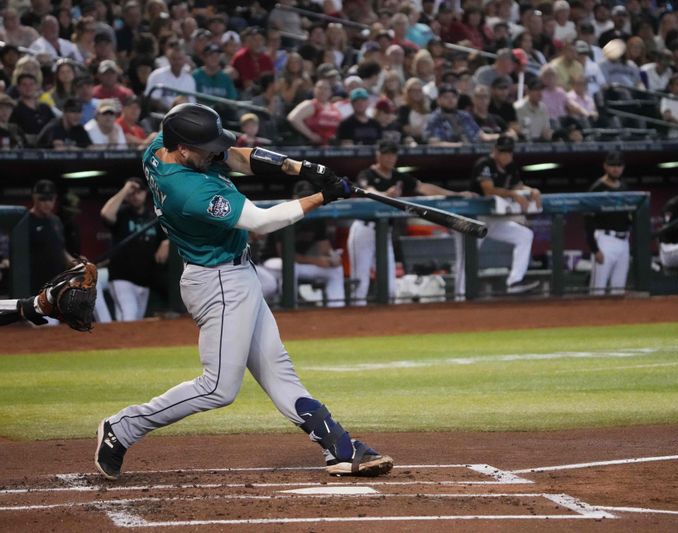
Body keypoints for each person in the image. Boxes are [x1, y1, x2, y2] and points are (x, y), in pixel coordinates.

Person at [94, 103, 392, 481]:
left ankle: (340, 449)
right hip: (217, 282)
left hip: (237, 273)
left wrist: (303, 168)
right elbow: (262, 221)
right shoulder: (188, 191)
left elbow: (236, 156)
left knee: (276, 368)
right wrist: (324, 197)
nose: (216, 151)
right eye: (206, 146)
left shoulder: (159, 147)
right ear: (184, 149)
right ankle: (122, 427)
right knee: (218, 387)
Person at [348, 140, 467, 305]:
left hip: (385, 233)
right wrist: (385, 194)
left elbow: (423, 187)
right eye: (386, 154)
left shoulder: (398, 176)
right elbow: (367, 191)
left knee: (390, 286)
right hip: (364, 230)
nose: (390, 158)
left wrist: (455, 194)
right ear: (378, 156)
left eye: (393, 154)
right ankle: (354, 323)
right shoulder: (366, 174)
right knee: (360, 282)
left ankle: (386, 325)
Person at [453, 135, 542, 298]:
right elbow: (488, 190)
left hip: (492, 220)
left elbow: (519, 186)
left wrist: (532, 190)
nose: (506, 155)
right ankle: (460, 296)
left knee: (524, 235)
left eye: (509, 152)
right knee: (466, 257)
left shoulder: (511, 167)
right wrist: (513, 194)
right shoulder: (484, 164)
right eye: (502, 152)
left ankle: (514, 281)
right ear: (495, 150)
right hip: (472, 218)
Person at [263, 180, 347, 308]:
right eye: (302, 197)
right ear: (293, 199)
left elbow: (325, 249)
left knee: (335, 270)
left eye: (308, 197)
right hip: (273, 263)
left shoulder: (317, 218)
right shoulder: (283, 216)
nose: (306, 201)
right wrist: (318, 261)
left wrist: (333, 258)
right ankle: (290, 308)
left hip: (301, 263)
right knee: (290, 268)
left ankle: (336, 309)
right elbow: (285, 256)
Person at [99, 178, 169, 321]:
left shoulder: (153, 217)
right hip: (122, 278)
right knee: (129, 318)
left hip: (145, 280)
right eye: (132, 193)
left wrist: (166, 243)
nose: (135, 195)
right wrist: (125, 190)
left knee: (134, 322)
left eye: (139, 191)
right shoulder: (122, 214)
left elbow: (167, 235)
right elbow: (106, 214)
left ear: (145, 193)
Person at [585, 151, 632, 295]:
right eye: (612, 165)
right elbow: (588, 220)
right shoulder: (597, 188)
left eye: (619, 165)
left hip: (623, 241)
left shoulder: (624, 186)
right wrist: (595, 249)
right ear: (605, 166)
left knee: (618, 290)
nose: (616, 169)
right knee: (597, 290)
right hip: (604, 240)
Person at [22, 180, 73, 295]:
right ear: (34, 198)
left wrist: (77, 263)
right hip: (35, 285)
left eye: (50, 199)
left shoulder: (56, 221)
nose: (47, 203)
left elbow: (60, 249)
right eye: (43, 199)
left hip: (56, 283)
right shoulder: (25, 221)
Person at [424, 84, 499, 146]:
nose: (450, 100)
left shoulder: (464, 116)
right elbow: (434, 143)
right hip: (443, 158)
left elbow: (482, 136)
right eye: (446, 97)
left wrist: (502, 136)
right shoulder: (434, 118)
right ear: (438, 100)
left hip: (469, 155)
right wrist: (458, 146)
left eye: (453, 97)